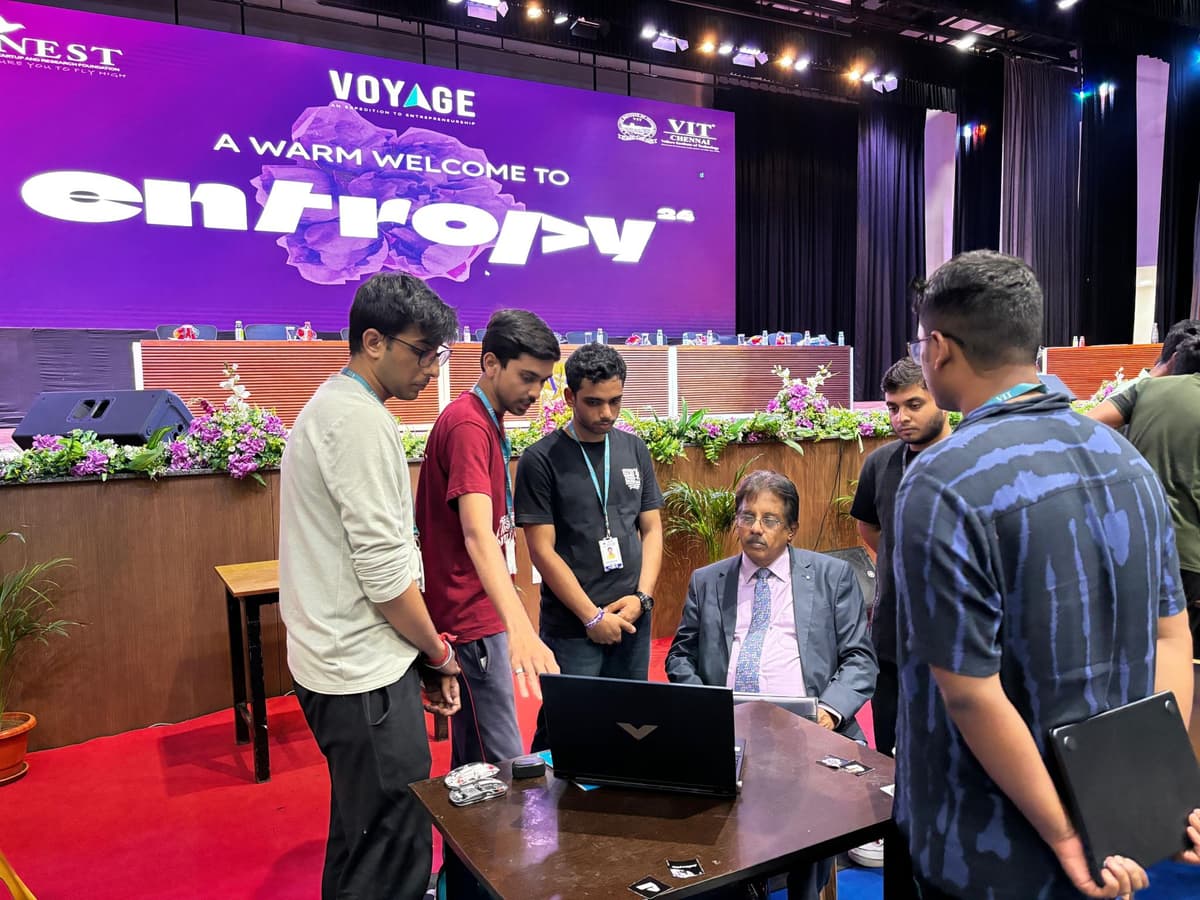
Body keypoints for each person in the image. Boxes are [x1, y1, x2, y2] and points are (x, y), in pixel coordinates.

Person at [894, 250, 1194, 900]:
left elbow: (969, 691)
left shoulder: (942, 480)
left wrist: (1063, 835)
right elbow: (1174, 638)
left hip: (984, 845)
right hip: (1115, 830)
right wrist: (1147, 800)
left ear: (940, 347)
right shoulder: (1127, 458)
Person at [278, 272, 462, 900]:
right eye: (422, 352)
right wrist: (438, 654)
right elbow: (385, 578)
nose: (430, 369)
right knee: (391, 842)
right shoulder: (357, 422)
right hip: (359, 669)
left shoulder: (335, 407)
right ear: (374, 341)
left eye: (438, 355)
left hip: (347, 659)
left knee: (365, 833)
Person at [667, 469, 877, 900]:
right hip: (729, 727)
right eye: (747, 517)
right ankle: (737, 884)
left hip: (810, 728)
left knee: (816, 808)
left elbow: (860, 660)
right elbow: (679, 656)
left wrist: (827, 712)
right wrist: (708, 708)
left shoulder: (831, 576)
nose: (755, 529)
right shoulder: (709, 580)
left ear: (792, 529)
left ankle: (801, 888)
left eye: (770, 519)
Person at [514, 343, 664, 751]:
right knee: (570, 727)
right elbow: (542, 551)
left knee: (631, 727)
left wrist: (643, 599)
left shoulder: (633, 449)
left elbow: (651, 529)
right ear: (569, 398)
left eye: (615, 401)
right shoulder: (540, 460)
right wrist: (592, 617)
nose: (607, 414)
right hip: (574, 629)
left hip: (633, 618)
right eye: (594, 403)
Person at [1088, 335, 1200, 745]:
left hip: (1137, 549)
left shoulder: (1150, 388)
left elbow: (1088, 425)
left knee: (1133, 658)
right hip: (1194, 560)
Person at [850, 357, 951, 760]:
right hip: (890, 632)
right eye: (893, 407)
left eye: (914, 404)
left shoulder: (967, 458)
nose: (901, 417)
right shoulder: (880, 463)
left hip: (951, 636)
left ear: (940, 400)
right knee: (888, 754)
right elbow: (870, 527)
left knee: (944, 752)